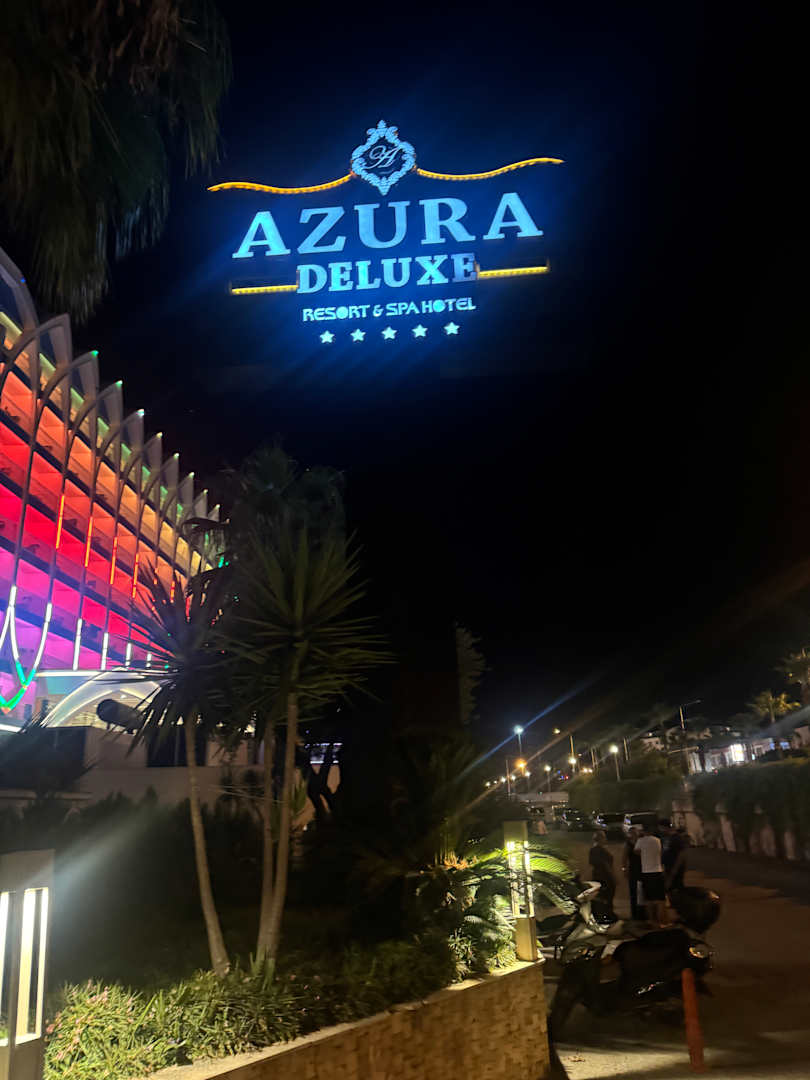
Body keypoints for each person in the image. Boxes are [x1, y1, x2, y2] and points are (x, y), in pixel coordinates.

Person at [635, 823, 668, 927]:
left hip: (646, 872)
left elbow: (636, 851)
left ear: (643, 831)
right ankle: (660, 922)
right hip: (658, 871)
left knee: (648, 899)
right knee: (660, 899)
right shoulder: (657, 840)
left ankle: (651, 921)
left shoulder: (640, 841)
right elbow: (661, 853)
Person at [588, 830, 616, 914]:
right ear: (601, 839)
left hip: (597, 875)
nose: (605, 839)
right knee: (608, 895)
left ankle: (601, 913)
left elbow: (591, 862)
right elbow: (605, 864)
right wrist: (613, 876)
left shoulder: (593, 850)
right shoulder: (601, 850)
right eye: (604, 837)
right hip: (605, 876)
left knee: (601, 895)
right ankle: (607, 913)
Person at [660, 820, 688, 893]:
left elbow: (681, 854)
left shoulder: (677, 838)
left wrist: (674, 870)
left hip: (676, 867)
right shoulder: (666, 837)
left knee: (677, 888)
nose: (660, 830)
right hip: (668, 867)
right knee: (669, 887)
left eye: (661, 828)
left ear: (665, 827)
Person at [622, 825, 643, 920]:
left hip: (642, 869)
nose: (634, 834)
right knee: (634, 892)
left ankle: (642, 913)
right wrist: (624, 869)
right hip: (633, 870)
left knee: (641, 891)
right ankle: (635, 914)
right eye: (632, 833)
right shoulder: (628, 844)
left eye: (635, 832)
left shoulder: (641, 842)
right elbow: (624, 858)